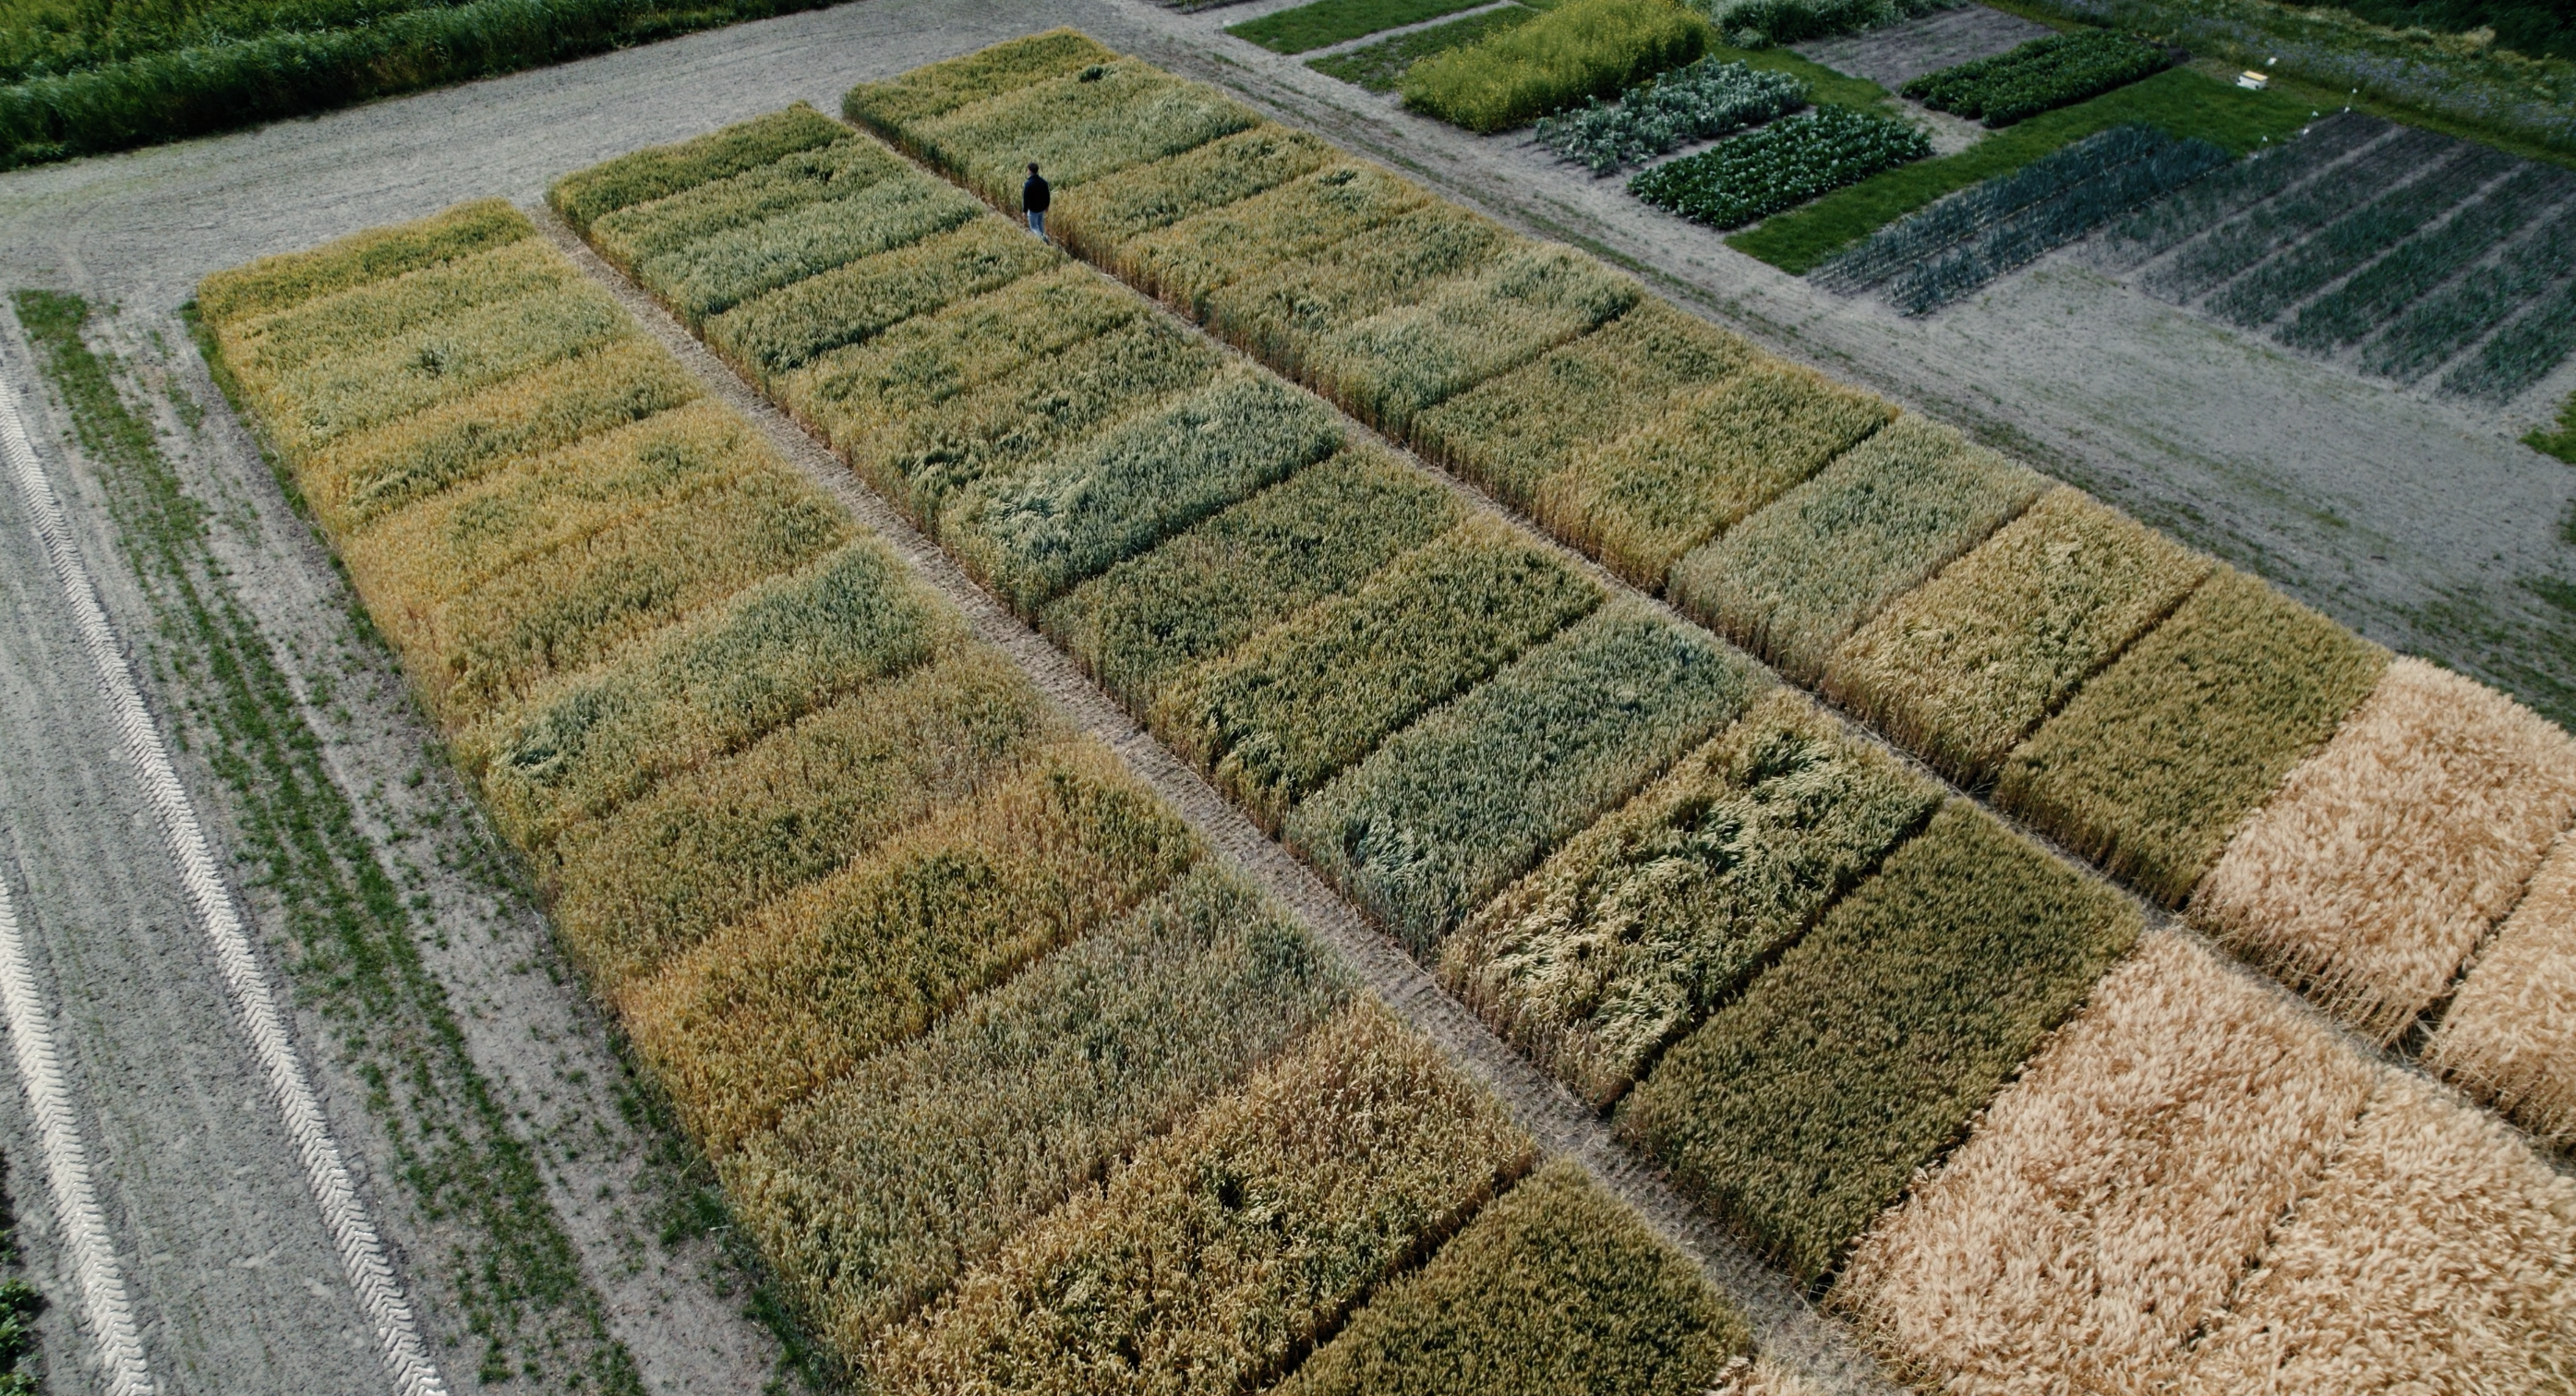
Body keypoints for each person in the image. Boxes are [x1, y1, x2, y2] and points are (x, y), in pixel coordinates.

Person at [1022, 162, 1051, 240]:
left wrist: (1024, 211)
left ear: (1030, 171)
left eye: (1027, 170)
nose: (1027, 171)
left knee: (1034, 227)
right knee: (1040, 225)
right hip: (1042, 208)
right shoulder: (1043, 182)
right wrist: (1047, 206)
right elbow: (1047, 195)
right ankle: (1045, 238)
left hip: (1033, 210)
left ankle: (1042, 240)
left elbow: (1026, 199)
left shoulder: (1028, 184)